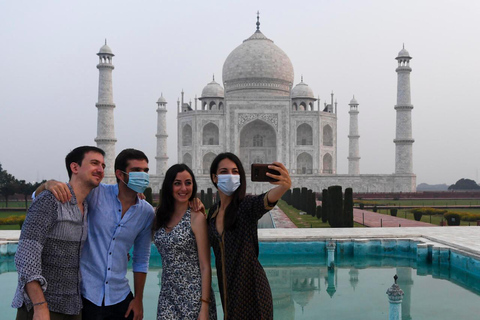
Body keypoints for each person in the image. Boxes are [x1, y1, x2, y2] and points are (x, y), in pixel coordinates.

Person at [36, 148, 155, 320]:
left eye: (146, 171)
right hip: (85, 295)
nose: (143, 175)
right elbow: (44, 197)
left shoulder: (146, 212)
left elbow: (141, 258)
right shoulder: (96, 194)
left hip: (120, 296)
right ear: (120, 175)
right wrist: (48, 185)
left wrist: (138, 299)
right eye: (136, 170)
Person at [12, 146, 106, 320]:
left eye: (102, 165)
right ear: (75, 167)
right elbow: (26, 256)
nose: (100, 169)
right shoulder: (50, 200)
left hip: (72, 307)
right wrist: (40, 306)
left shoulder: (86, 206)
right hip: (42, 308)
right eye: (94, 163)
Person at [207, 153, 291, 320]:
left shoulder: (246, 206)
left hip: (253, 292)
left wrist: (283, 186)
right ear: (215, 178)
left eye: (235, 171)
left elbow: (266, 200)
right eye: (224, 172)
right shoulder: (213, 213)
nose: (230, 176)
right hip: (228, 292)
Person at [153, 164, 217, 320]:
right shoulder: (160, 216)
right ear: (169, 186)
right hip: (168, 295)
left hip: (194, 297)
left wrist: (204, 306)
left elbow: (205, 266)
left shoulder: (196, 218)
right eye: (177, 183)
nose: (183, 188)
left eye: (188, 183)